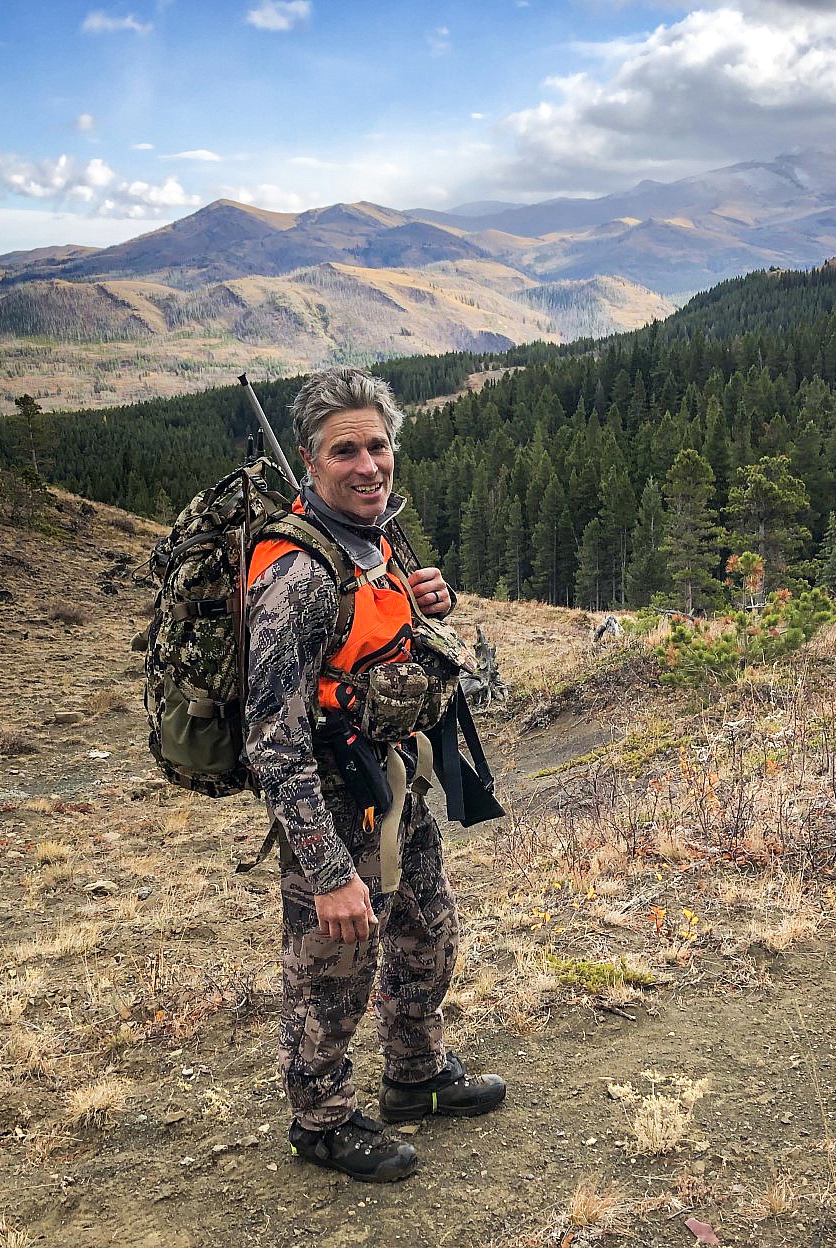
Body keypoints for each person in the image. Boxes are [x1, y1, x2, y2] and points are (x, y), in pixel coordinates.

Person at [243, 366, 506, 1183]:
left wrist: (432, 604)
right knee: (332, 970)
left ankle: (414, 1076)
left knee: (428, 932)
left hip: (397, 784)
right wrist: (327, 874)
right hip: (330, 802)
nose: (368, 466)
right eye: (345, 451)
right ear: (309, 461)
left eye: (379, 446)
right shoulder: (296, 576)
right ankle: (319, 1122)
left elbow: (383, 640)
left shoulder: (377, 537)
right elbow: (272, 742)